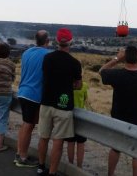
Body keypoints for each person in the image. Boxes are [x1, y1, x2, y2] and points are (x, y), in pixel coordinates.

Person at [99, 46, 137, 176]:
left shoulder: (116, 75)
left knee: (115, 149)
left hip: (118, 120)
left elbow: (102, 71)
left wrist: (116, 59)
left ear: (124, 58)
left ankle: (110, 174)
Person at [37, 28, 82, 176]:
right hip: (64, 105)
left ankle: (40, 166)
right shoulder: (75, 63)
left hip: (46, 102)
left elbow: (45, 76)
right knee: (58, 140)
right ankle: (52, 172)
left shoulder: (48, 58)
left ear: (57, 41)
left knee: (44, 137)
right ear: (70, 42)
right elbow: (78, 85)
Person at [15, 30, 50, 167]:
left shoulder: (26, 52)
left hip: (22, 91)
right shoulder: (47, 55)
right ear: (47, 41)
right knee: (28, 125)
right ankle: (22, 158)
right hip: (34, 95)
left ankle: (19, 153)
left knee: (25, 124)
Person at [65, 81, 89, 168]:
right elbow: (85, 98)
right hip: (81, 116)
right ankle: (79, 166)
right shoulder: (84, 85)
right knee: (81, 142)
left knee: (70, 142)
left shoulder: (67, 84)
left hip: (69, 114)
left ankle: (71, 165)